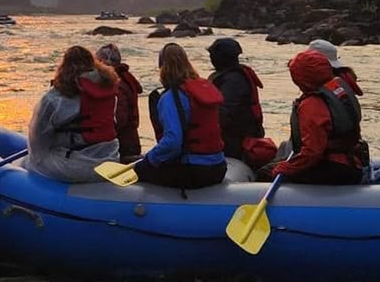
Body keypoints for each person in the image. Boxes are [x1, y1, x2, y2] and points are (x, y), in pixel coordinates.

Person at [134, 42, 227, 190]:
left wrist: (149, 160)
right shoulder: (203, 90)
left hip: (193, 170)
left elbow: (173, 141)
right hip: (219, 167)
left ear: (162, 67)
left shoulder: (170, 97)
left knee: (140, 171)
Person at [271, 49, 366, 185]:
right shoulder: (338, 89)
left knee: (265, 172)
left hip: (333, 169)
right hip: (352, 162)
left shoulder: (312, 105)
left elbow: (313, 152)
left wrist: (287, 167)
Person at [27, 45, 120, 182]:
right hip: (111, 159)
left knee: (28, 162)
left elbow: (36, 139)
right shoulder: (109, 92)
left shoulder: (54, 98)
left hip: (76, 167)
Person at [208, 37, 269, 163]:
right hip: (236, 137)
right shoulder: (231, 76)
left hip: (238, 142)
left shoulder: (233, 81)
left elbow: (224, 114)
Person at [97, 42, 143, 161]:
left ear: (104, 63)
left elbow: (119, 119)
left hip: (121, 147)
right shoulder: (125, 80)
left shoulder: (117, 85)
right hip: (129, 143)